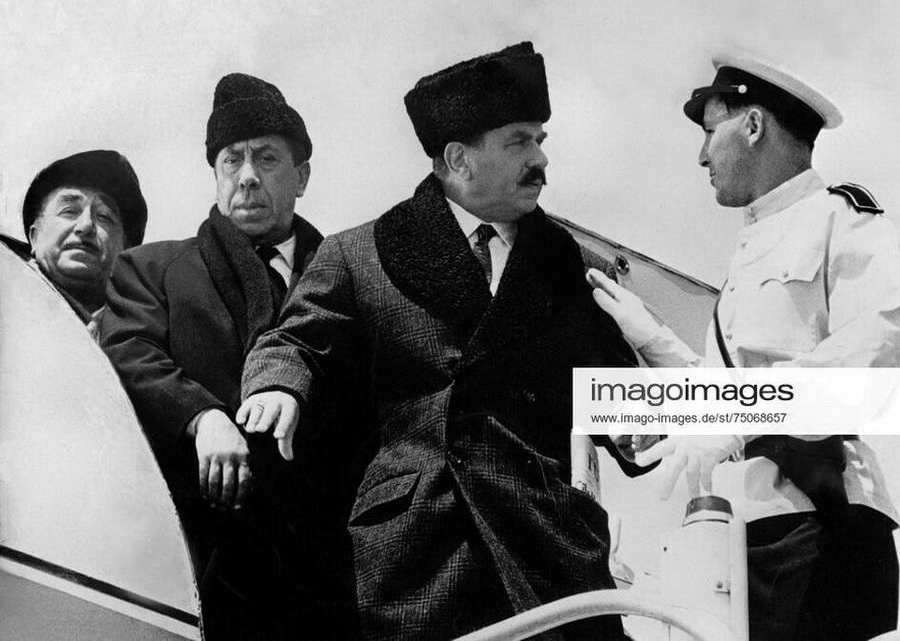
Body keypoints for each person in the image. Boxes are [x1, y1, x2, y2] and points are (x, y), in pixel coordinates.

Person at [238, 42, 637, 640]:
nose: (540, 160)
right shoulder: (359, 253)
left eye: (540, 139)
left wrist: (655, 422)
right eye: (519, 142)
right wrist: (278, 386)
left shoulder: (574, 269)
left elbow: (621, 399)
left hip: (546, 550)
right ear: (458, 159)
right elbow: (294, 339)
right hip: (419, 555)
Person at [589, 51, 900, 640]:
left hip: (819, 523)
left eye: (711, 132)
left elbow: (880, 341)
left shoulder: (841, 219)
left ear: (753, 126)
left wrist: (734, 418)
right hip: (743, 533)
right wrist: (654, 339)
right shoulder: (749, 250)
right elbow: (728, 398)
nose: (702, 156)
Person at [100, 73, 347, 638]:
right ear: (215, 175)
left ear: (302, 176)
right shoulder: (151, 268)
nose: (248, 176)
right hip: (203, 560)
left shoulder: (349, 274)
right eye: (232, 160)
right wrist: (202, 415)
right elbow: (127, 351)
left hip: (336, 566)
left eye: (267, 158)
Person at [23, 149, 147, 338]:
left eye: (104, 216)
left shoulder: (145, 333)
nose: (86, 225)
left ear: (127, 249)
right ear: (35, 236)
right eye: (69, 211)